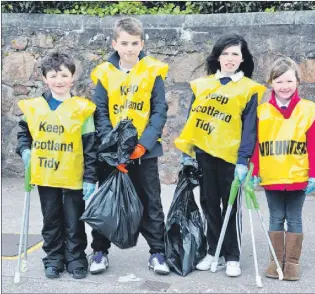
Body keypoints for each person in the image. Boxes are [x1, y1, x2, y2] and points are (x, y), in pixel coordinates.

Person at [174, 33, 266, 277]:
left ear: (243, 59)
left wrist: (243, 160)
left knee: (231, 207)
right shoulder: (202, 85)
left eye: (235, 53)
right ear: (217, 57)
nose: (230, 58)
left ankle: (232, 255)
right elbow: (193, 119)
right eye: (225, 53)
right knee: (209, 204)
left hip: (231, 158)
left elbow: (250, 128)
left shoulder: (249, 89)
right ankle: (213, 251)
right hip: (205, 154)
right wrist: (188, 152)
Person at [89, 17, 170, 275]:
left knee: (152, 203)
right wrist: (113, 147)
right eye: (124, 43)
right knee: (107, 201)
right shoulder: (104, 72)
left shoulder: (153, 70)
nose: (129, 48)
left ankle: (158, 253)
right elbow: (99, 112)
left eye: (135, 43)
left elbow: (159, 111)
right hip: (112, 153)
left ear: (142, 43)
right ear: (115, 44)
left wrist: (143, 145)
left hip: (143, 152)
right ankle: (99, 252)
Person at [16, 52, 97, 279]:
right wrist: (25, 150)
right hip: (46, 174)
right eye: (53, 75)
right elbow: (24, 133)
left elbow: (90, 145)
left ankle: (76, 257)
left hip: (73, 175)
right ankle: (53, 258)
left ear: (72, 77)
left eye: (64, 75)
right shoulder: (35, 107)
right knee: (51, 219)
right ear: (44, 78)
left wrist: (90, 177)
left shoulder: (82, 109)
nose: (59, 80)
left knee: (74, 219)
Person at [250, 56, 315, 281]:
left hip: (297, 176)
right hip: (272, 176)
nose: (284, 86)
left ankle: (291, 264)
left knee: (294, 218)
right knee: (275, 217)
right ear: (271, 83)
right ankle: (275, 261)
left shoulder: (307, 110)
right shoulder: (262, 111)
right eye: (279, 81)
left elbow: (314, 145)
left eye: (289, 81)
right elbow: (256, 143)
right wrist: (254, 171)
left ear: (297, 82)